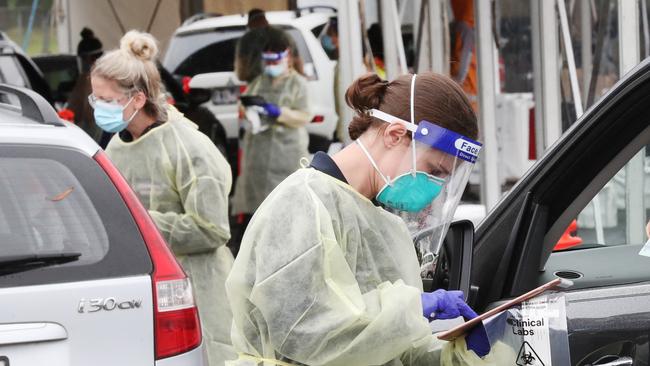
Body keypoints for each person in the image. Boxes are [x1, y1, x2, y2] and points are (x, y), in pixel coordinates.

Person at [226, 72, 493, 365]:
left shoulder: (384, 224)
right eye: (434, 170)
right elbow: (306, 333)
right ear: (394, 135)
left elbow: (388, 345)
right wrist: (413, 308)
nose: (433, 187)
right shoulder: (302, 203)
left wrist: (452, 355)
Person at [89, 30, 235, 365]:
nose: (98, 109)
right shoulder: (118, 144)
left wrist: (141, 224)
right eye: (95, 100)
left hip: (198, 287)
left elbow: (212, 229)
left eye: (107, 100)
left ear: (137, 99)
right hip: (143, 287)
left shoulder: (188, 148)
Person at [230, 28, 311, 244]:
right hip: (258, 152)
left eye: (276, 61)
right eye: (269, 62)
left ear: (288, 58)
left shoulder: (297, 83)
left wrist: (278, 112)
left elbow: (304, 115)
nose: (272, 66)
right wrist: (250, 109)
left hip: (286, 154)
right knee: (258, 209)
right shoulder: (260, 81)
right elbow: (245, 100)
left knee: (287, 206)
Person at [235, 9, 304, 83]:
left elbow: (241, 74)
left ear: (250, 24)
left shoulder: (246, 40)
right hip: (285, 87)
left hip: (257, 89)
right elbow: (297, 63)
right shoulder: (283, 36)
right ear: (266, 20)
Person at [67, 27, 104, 144]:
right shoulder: (87, 79)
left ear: (88, 59)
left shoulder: (90, 80)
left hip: (89, 141)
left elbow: (88, 116)